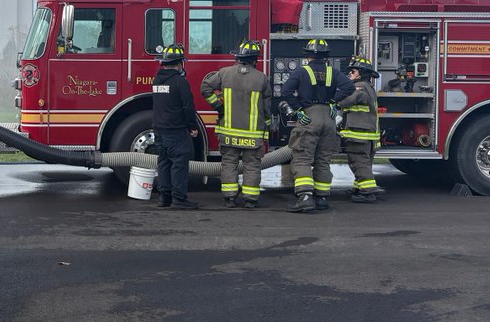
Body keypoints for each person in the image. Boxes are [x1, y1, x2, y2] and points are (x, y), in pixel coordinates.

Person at [278, 39, 354, 213]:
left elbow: (286, 92)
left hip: (309, 116)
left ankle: (305, 197)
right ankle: (322, 198)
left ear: (308, 55)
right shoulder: (333, 72)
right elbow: (349, 86)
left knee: (303, 158)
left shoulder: (301, 71)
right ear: (326, 56)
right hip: (328, 118)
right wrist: (334, 102)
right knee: (323, 160)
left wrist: (297, 110)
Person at [201, 40, 271, 208]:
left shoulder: (224, 73)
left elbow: (205, 87)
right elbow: (267, 108)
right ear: (255, 59)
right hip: (252, 136)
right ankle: (250, 200)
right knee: (252, 165)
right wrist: (267, 125)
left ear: (238, 57)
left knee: (229, 164)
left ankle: (229, 198)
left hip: (229, 133)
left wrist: (218, 104)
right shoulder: (261, 78)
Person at [151, 43, 200, 209]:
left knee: (164, 163)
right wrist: (192, 127)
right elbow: (188, 107)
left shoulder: (156, 80)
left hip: (159, 130)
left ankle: (164, 198)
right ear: (179, 64)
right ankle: (179, 199)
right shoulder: (180, 82)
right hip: (176, 131)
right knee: (179, 164)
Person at [339, 55, 385, 203]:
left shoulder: (359, 87)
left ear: (361, 73)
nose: (349, 74)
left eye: (352, 71)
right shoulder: (368, 87)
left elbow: (345, 101)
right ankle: (359, 188)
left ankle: (367, 192)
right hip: (366, 135)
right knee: (364, 163)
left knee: (358, 162)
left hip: (359, 135)